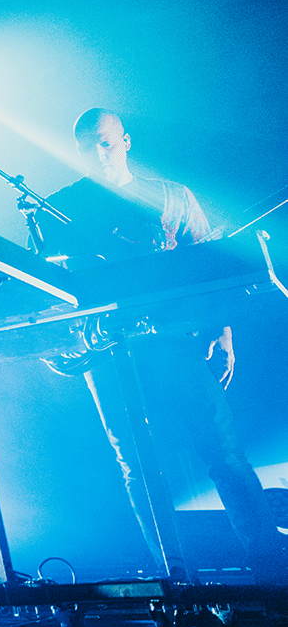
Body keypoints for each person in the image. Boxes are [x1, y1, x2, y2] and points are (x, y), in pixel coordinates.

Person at [39, 108, 286, 581]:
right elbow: (46, 288)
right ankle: (175, 577)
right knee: (135, 462)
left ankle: (272, 569)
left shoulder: (172, 196)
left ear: (126, 141)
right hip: (107, 351)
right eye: (87, 145)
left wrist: (223, 331)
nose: (98, 153)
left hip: (175, 343)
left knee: (223, 449)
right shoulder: (58, 208)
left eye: (105, 142)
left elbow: (210, 262)